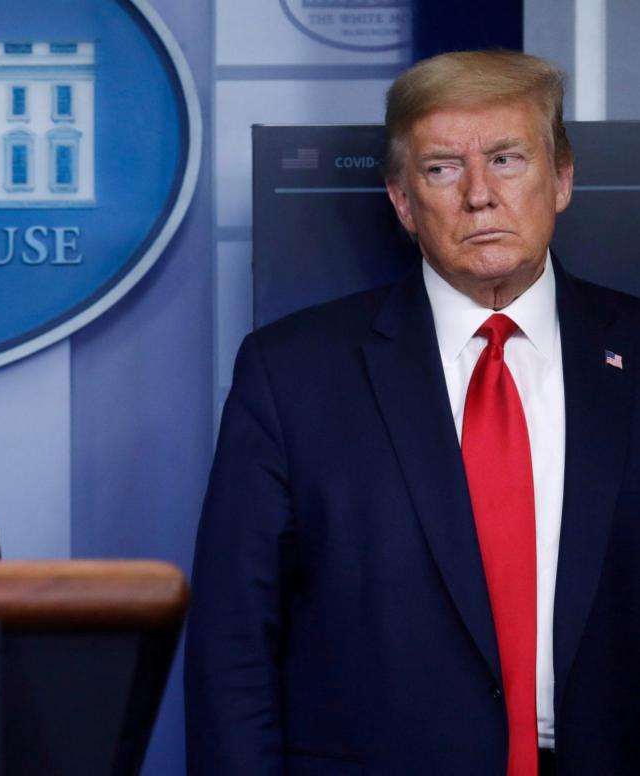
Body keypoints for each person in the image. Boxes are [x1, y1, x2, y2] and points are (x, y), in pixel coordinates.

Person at [185, 50, 640, 776]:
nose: (480, 195)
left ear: (561, 179)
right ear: (401, 200)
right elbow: (233, 643)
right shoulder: (293, 373)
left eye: (507, 158)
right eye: (441, 169)